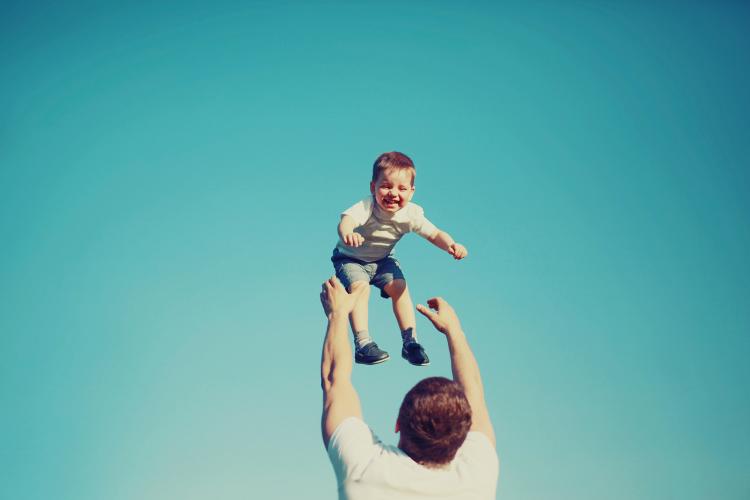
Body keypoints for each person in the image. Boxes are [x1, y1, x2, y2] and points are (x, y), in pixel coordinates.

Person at [320, 277, 499, 499]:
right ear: (462, 435)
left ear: (397, 423)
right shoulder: (477, 477)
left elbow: (333, 380)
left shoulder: (364, 468)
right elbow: (475, 394)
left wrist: (337, 315)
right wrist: (455, 332)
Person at [332, 151, 468, 366]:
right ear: (373, 187)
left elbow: (434, 234)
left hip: (383, 260)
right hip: (350, 259)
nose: (393, 193)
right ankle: (363, 343)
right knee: (361, 288)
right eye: (386, 186)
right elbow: (346, 221)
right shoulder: (368, 206)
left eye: (402, 188)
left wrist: (451, 244)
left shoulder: (411, 214)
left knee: (400, 287)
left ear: (412, 192)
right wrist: (348, 232)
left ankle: (410, 342)